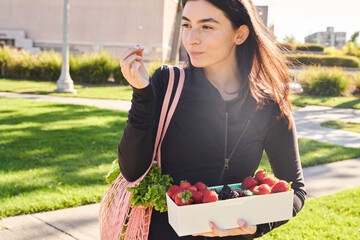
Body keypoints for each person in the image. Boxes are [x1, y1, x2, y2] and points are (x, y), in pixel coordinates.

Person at [118, 0, 306, 239]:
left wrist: (257, 225)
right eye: (187, 25)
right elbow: (132, 171)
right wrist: (142, 93)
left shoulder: (269, 104)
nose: (192, 38)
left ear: (240, 34)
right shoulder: (167, 83)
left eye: (207, 27)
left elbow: (296, 190)